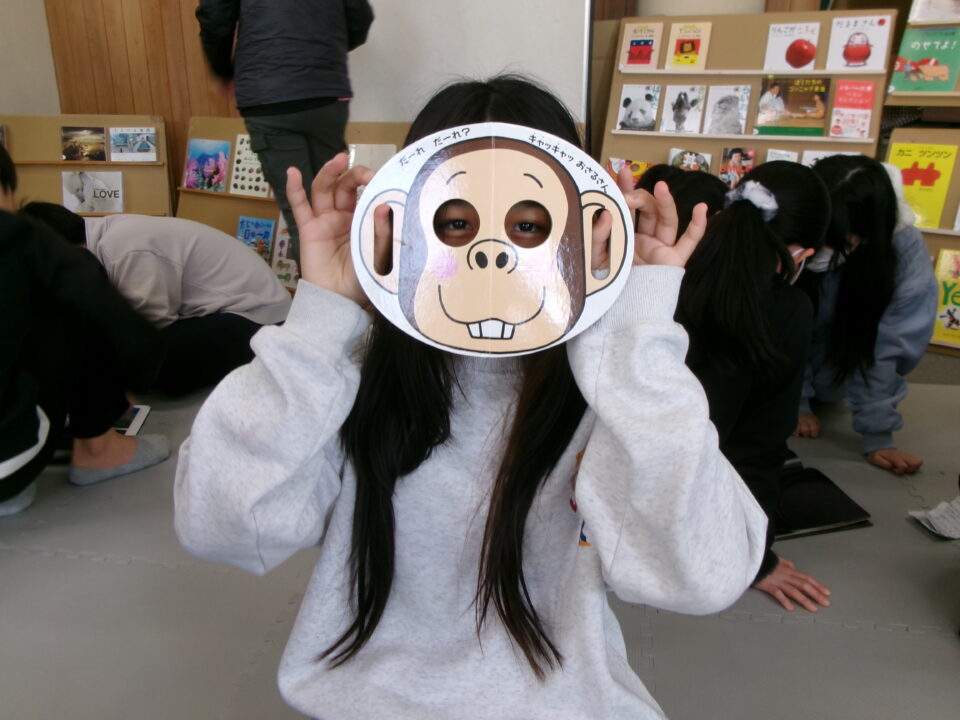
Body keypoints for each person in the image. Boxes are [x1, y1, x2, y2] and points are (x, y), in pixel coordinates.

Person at [174, 76, 767, 719]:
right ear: (402, 220)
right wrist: (321, 318)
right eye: (455, 223)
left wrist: (634, 333)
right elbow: (220, 526)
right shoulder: (345, 375)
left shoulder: (608, 386)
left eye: (530, 225)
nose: (492, 254)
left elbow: (702, 577)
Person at [667, 161, 833, 613]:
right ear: (801, 253)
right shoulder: (788, 310)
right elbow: (759, 445)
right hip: (685, 518)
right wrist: (754, 556)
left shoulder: (668, 265)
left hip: (594, 489)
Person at [0, 145, 169, 517]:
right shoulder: (22, 238)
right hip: (7, 468)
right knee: (76, 292)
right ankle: (98, 450)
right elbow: (127, 330)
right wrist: (132, 383)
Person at [19, 204, 292, 398]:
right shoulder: (105, 236)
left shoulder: (122, 248)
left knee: (152, 364)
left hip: (258, 315)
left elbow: (149, 326)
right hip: (229, 308)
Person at [195, 0, 375, 264]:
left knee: (303, 217)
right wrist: (323, 50)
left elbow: (215, 17)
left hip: (269, 98)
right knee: (337, 207)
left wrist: (222, 70)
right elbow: (360, 17)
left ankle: (325, 290)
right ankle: (353, 285)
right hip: (326, 94)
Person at [795, 155, 938, 475]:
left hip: (840, 368)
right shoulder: (794, 225)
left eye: (840, 241)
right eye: (823, 238)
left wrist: (879, 437)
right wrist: (797, 403)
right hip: (783, 372)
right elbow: (780, 328)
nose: (825, 252)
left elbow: (889, 346)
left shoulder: (904, 250)